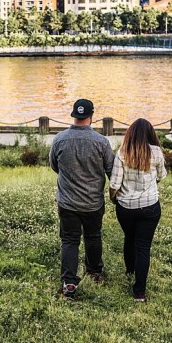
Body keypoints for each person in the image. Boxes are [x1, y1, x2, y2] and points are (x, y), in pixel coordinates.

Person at [48, 98, 115, 300]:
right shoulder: (102, 142)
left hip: (67, 201)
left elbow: (54, 166)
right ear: (91, 116)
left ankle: (69, 281)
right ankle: (95, 272)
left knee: (69, 240)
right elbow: (111, 170)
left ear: (74, 116)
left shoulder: (59, 139)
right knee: (93, 236)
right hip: (93, 201)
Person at [109, 118, 166, 302]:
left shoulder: (122, 153)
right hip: (149, 206)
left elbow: (115, 183)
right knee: (143, 247)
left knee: (129, 238)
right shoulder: (156, 152)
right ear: (150, 134)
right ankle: (139, 292)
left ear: (130, 133)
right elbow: (162, 175)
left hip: (126, 207)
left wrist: (113, 198)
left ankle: (129, 271)